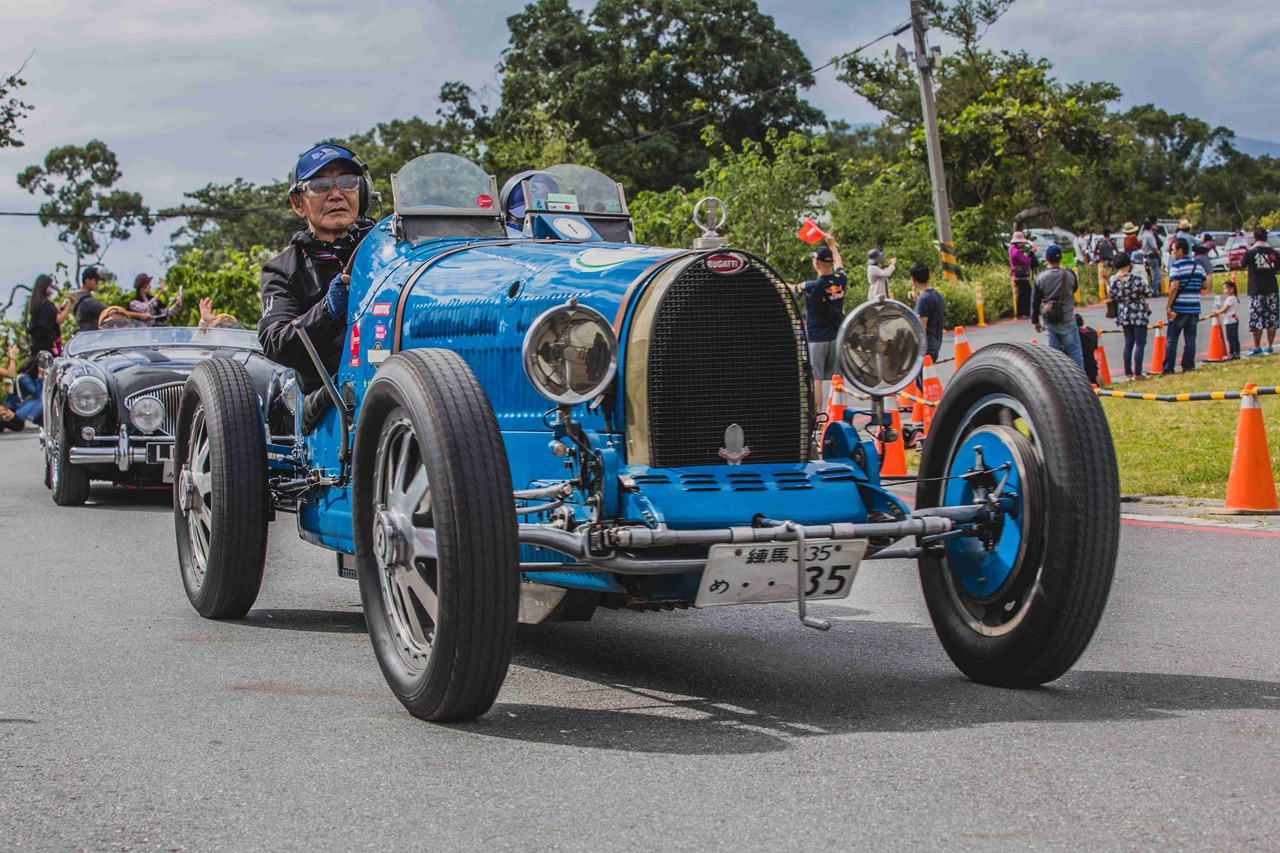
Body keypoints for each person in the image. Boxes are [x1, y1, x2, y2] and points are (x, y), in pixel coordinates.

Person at [258, 144, 376, 433]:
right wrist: (327, 311)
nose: (336, 194)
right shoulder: (283, 270)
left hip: (403, 378)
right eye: (320, 186)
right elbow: (275, 342)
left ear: (361, 192)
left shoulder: (389, 250)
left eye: (347, 182)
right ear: (298, 203)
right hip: (329, 401)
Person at [789, 235, 846, 409]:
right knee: (838, 378)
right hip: (837, 336)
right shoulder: (840, 280)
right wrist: (832, 245)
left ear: (817, 263)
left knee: (817, 379)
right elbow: (839, 263)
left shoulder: (812, 286)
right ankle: (839, 412)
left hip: (816, 338)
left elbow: (791, 288)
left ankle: (819, 415)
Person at [1031, 245, 1084, 371]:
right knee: (1075, 352)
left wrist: (1035, 321)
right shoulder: (1069, 275)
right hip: (1068, 318)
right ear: (1061, 258)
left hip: (1049, 320)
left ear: (1046, 258)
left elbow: (1035, 301)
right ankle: (1080, 379)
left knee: (1054, 356)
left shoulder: (1040, 277)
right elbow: (1074, 288)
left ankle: (1057, 380)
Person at [1164, 238, 1204, 374]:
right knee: (1190, 339)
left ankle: (1168, 367)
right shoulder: (1197, 266)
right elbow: (1204, 285)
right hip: (1194, 307)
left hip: (1179, 307)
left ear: (1180, 251)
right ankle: (1188, 365)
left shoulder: (1176, 267)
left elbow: (1174, 286)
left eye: (1173, 250)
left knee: (1172, 339)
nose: (1172, 253)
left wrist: (1169, 305)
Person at [1108, 253, 1151, 380]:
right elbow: (1148, 292)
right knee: (1140, 342)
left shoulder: (1113, 280)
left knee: (1128, 342)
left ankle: (1128, 372)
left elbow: (1111, 295)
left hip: (1123, 312)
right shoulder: (1135, 278)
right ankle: (1138, 372)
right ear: (1128, 264)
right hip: (1137, 311)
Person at [1241, 225, 1279, 356]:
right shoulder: (1274, 253)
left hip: (1256, 289)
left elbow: (1242, 264)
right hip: (1272, 288)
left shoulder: (1250, 253)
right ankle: (1269, 346)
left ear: (1255, 238)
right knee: (1272, 318)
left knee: (1257, 319)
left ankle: (1256, 347)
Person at [24, 274, 72, 356]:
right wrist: (70, 303)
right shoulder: (46, 304)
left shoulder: (35, 303)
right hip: (46, 343)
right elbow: (59, 319)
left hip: (36, 343)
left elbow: (53, 313)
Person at [911, 262, 944, 363]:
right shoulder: (937, 295)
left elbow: (922, 327)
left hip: (927, 346)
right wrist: (917, 300)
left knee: (923, 373)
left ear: (913, 279)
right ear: (929, 276)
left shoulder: (923, 299)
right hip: (936, 342)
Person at [1008, 232, 1034, 319]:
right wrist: (1030, 256)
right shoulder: (1016, 252)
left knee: (1023, 294)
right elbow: (1024, 261)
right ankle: (1023, 313)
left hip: (1017, 275)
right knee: (1025, 294)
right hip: (1021, 276)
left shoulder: (1012, 249)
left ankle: (1022, 313)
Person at [1214, 277, 1241, 360]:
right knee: (1235, 338)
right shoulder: (1234, 298)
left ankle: (1232, 353)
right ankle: (1236, 352)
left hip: (1230, 321)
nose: (1224, 291)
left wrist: (1217, 311)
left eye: (1225, 289)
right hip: (1233, 320)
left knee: (1231, 338)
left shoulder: (1230, 299)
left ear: (1231, 289)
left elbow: (1224, 309)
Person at [1141, 219, 1163, 295]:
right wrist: (1158, 253)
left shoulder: (1144, 235)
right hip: (1152, 256)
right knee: (1157, 275)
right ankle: (1153, 291)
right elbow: (1153, 247)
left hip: (1147, 256)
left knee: (1151, 274)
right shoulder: (1150, 235)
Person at [1077, 315, 1099, 385]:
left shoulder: (1077, 335)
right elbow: (1095, 347)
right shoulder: (1092, 332)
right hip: (1092, 363)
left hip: (1082, 364)